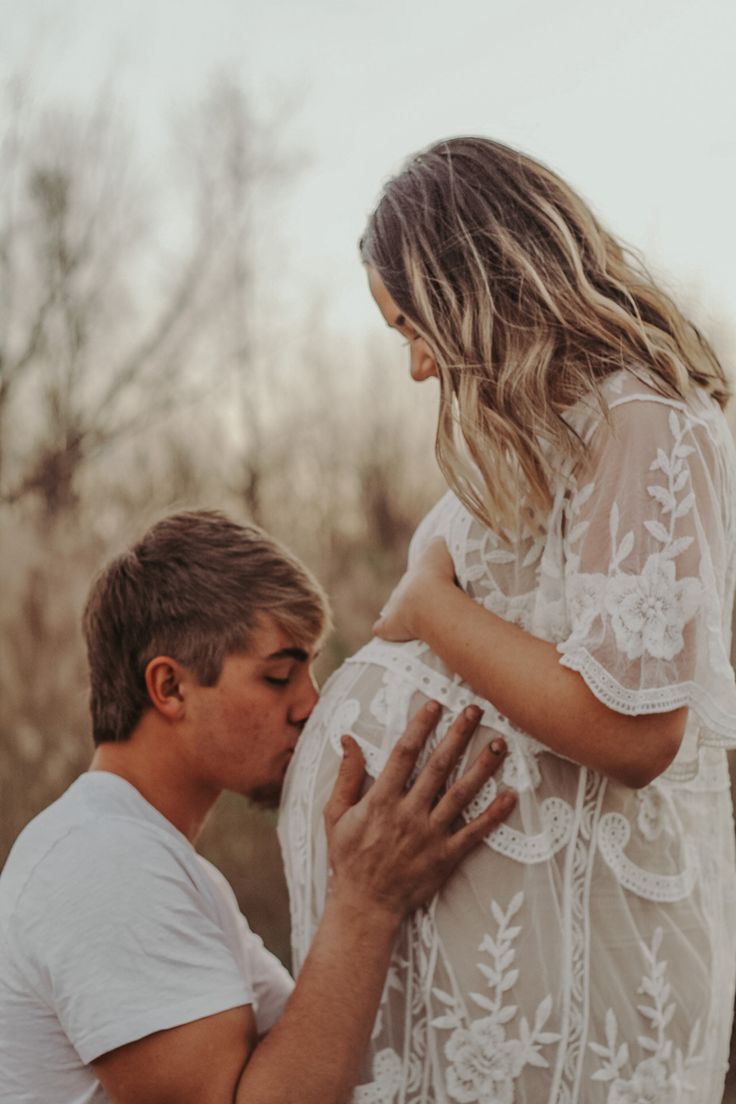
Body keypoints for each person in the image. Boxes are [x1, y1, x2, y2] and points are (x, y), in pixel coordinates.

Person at [278, 137, 736, 1103]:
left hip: (587, 971)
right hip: (505, 967)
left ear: (473, 285)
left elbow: (636, 727)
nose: (413, 367)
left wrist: (427, 609)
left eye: (413, 325)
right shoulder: (550, 439)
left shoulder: (643, 419)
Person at [0, 509, 516, 1104]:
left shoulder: (159, 861)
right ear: (170, 688)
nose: (311, 707)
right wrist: (366, 898)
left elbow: (317, 1064)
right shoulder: (103, 863)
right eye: (278, 678)